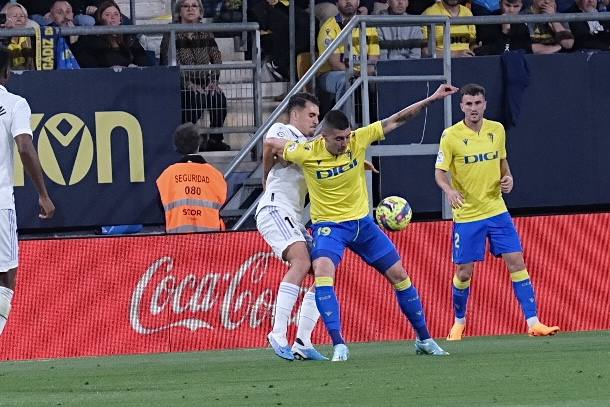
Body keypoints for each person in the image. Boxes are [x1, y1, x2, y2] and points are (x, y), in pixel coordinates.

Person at [265, 83, 458, 361]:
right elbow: (270, 144)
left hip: (363, 226)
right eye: (339, 139)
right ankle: (338, 344)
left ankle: (425, 339)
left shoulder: (358, 139)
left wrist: (432, 98)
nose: (345, 143)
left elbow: (397, 119)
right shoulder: (305, 151)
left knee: (400, 276)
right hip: (330, 228)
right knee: (321, 270)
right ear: (324, 137)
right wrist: (266, 179)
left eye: (347, 137)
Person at [434, 83, 560, 341]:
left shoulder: (497, 130)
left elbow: (503, 163)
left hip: (496, 210)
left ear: (484, 104)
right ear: (461, 107)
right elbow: (439, 172)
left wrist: (509, 178)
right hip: (468, 215)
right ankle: (459, 322)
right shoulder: (450, 136)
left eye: (477, 103)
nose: (473, 108)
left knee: (517, 262)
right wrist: (448, 190)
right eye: (468, 104)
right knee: (464, 273)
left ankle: (533, 322)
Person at [256, 92, 328, 361]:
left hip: (294, 218)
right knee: (300, 260)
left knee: (324, 270)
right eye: (311, 115)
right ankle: (277, 332)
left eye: (318, 117)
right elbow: (269, 144)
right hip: (275, 208)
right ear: (294, 114)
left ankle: (303, 340)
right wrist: (266, 176)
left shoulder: (310, 146)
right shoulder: (283, 129)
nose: (315, 121)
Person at [0, 47, 56, 337]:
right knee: (6, 277)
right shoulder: (13, 103)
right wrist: (43, 194)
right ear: (7, 73)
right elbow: (24, 146)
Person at [160, 0, 230, 152]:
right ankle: (187, 141)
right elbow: (169, 61)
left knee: (218, 98)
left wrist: (213, 81)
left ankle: (215, 139)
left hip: (204, 81)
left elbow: (216, 57)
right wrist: (188, 84)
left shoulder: (205, 31)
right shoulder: (171, 32)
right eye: (186, 6)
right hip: (180, 83)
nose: (190, 9)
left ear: (200, 12)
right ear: (179, 12)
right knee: (195, 101)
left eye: (194, 6)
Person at [156, 123, 227, 233]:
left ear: (176, 146)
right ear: (199, 144)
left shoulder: (166, 176)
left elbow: (162, 207)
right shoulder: (216, 175)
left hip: (178, 241)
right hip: (211, 241)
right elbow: (221, 204)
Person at [317, 0, 379, 113]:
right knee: (345, 80)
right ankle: (342, 125)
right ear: (336, 3)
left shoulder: (369, 26)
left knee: (382, 79)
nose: (348, 1)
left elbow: (373, 61)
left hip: (362, 73)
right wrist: (355, 74)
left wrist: (363, 74)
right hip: (330, 75)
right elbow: (335, 64)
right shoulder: (329, 27)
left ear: (359, 2)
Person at [75, 0, 150, 68]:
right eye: (107, 15)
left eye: (116, 14)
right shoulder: (92, 41)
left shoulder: (129, 38)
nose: (112, 17)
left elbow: (144, 62)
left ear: (120, 19)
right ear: (100, 19)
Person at [1, 3, 36, 71]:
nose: (19, 18)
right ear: (5, 19)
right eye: (15, 16)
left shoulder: (30, 37)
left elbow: (32, 65)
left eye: (22, 16)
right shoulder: (1, 37)